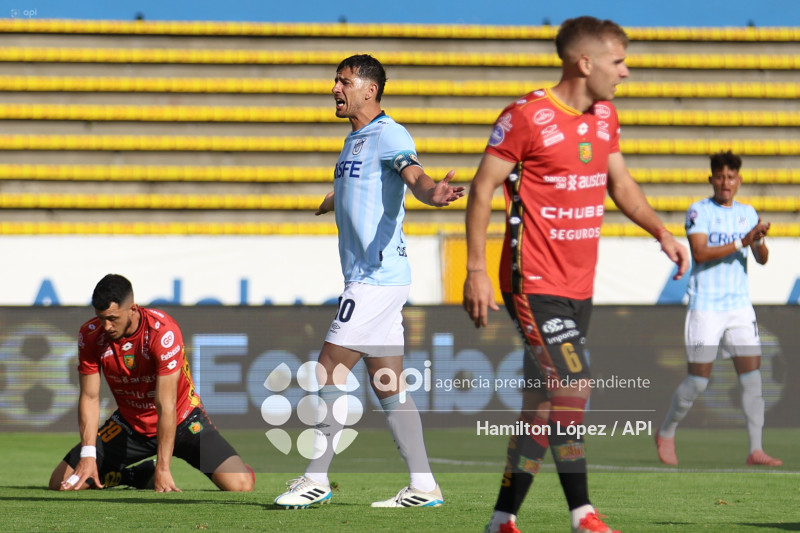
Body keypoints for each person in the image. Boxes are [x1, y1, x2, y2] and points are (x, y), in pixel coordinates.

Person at [462, 16, 690, 533]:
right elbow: (481, 189)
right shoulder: (526, 115)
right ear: (584, 63)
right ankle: (582, 513)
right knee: (574, 381)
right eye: (618, 61)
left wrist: (662, 232)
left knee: (541, 406)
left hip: (578, 287)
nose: (626, 72)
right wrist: (476, 270)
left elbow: (621, 181)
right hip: (532, 283)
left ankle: (502, 519)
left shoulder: (605, 116)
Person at [273, 54, 464, 509]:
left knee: (326, 373)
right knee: (388, 385)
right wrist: (326, 203)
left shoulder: (389, 133)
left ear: (369, 90)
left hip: (375, 279)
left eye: (343, 82)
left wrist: (431, 191)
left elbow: (411, 174)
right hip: (376, 278)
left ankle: (315, 478)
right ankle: (424, 486)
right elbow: (354, 188)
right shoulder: (354, 139)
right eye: (335, 81)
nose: (334, 89)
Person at [49, 274, 254, 492]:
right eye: (101, 318)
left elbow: (166, 405)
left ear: (132, 309)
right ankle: (135, 475)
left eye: (113, 318)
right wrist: (88, 454)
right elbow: (90, 397)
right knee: (62, 483)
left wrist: (163, 469)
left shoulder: (161, 332)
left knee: (240, 486)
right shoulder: (90, 335)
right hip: (130, 426)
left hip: (182, 420)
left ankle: (234, 467)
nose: (106, 326)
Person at [655, 151, 781, 467]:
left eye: (731, 177)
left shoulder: (747, 213)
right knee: (698, 380)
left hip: (739, 306)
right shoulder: (699, 211)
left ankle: (755, 450)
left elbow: (762, 258)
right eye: (720, 176)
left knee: (752, 377)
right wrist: (743, 241)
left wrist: (758, 241)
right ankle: (666, 431)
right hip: (706, 306)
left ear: (739, 180)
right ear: (711, 179)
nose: (726, 182)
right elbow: (699, 253)